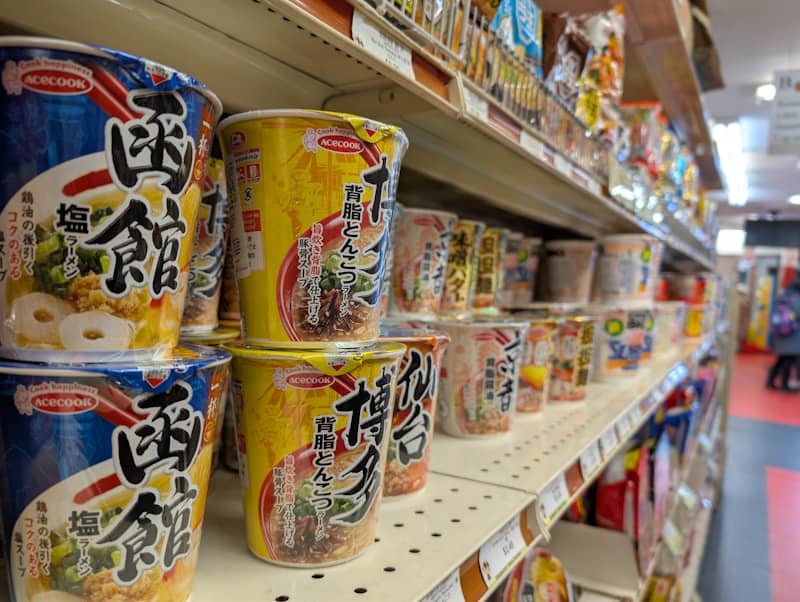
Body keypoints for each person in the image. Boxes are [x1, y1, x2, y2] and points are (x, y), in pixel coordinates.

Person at [767, 275, 800, 391]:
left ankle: (769, 382)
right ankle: (784, 385)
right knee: (788, 359)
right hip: (792, 334)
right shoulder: (797, 299)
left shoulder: (783, 296)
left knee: (781, 359)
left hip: (779, 332)